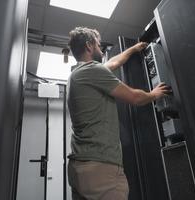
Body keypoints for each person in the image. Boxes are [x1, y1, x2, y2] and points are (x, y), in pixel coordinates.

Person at [67, 27, 169, 200]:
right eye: (99, 46)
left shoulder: (77, 74)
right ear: (89, 46)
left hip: (80, 168)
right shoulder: (92, 70)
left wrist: (134, 48)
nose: (101, 50)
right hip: (101, 169)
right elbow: (135, 98)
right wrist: (154, 94)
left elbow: (112, 64)